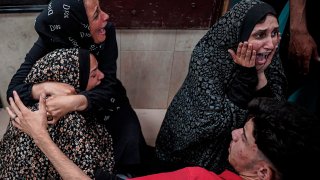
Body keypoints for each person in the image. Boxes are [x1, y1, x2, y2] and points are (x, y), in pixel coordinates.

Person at [7, 96, 320, 180]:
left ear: (263, 172)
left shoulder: (199, 177)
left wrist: (40, 136)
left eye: (245, 137)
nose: (235, 132)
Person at [6, 0, 147, 173]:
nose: (106, 17)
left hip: (103, 97)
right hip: (68, 112)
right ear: (75, 23)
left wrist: (75, 101)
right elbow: (13, 91)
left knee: (130, 140)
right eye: (96, 15)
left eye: (101, 9)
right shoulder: (51, 37)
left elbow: (108, 84)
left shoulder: (106, 31)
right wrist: (47, 87)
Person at [155, 0, 287, 174]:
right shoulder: (207, 56)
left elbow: (272, 117)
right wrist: (244, 78)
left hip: (236, 153)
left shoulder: (269, 57)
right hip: (191, 150)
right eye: (260, 35)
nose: (270, 44)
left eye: (275, 33)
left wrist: (260, 76)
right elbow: (211, 123)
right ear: (239, 33)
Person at [0, 48, 114, 178]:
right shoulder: (68, 119)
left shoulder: (29, 111)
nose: (102, 75)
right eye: (93, 75)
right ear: (70, 82)